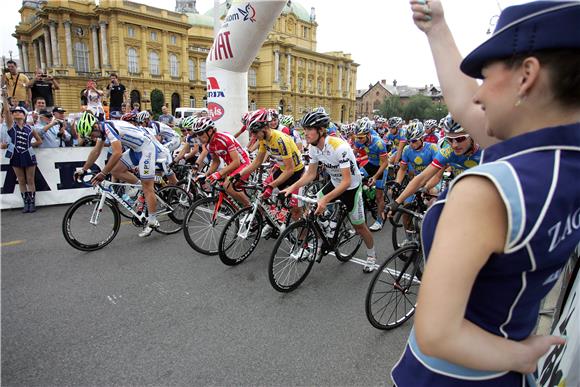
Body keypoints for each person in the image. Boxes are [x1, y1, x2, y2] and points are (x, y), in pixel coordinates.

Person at [391, 1, 580, 386]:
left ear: (526, 75)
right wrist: (436, 28)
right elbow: (464, 105)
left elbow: (437, 333)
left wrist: (523, 356)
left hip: (448, 376)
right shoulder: (555, 161)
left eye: (486, 75)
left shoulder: (489, 190)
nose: (477, 96)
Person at [281, 110, 378, 273]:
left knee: (359, 226)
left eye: (308, 129)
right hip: (334, 183)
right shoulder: (313, 148)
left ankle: (371, 255)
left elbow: (346, 181)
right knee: (310, 213)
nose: (305, 133)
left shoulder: (340, 147)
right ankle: (317, 241)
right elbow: (311, 174)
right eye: (304, 129)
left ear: (320, 130)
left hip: (351, 188)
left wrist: (325, 199)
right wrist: (292, 187)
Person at [74, 111, 170, 237]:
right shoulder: (101, 130)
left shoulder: (108, 128)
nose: (91, 137)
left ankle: (152, 220)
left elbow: (117, 153)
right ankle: (141, 188)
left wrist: (103, 173)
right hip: (136, 150)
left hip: (147, 150)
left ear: (95, 126)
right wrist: (83, 169)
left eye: (91, 134)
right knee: (116, 171)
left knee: (148, 187)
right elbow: (96, 151)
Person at [1, 97, 43, 213]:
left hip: (28, 154)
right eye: (15, 112)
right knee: (21, 180)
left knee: (30, 179)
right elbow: (6, 111)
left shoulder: (30, 128)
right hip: (15, 154)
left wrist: (30, 146)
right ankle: (25, 203)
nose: (16, 113)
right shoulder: (11, 127)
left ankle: (32, 203)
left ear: (24, 115)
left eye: (19, 112)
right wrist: (4, 97)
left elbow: (39, 141)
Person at [353, 118, 389, 231]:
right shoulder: (359, 140)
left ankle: (379, 220)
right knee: (355, 180)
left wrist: (375, 176)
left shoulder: (379, 143)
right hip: (371, 164)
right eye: (358, 137)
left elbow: (385, 163)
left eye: (362, 137)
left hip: (381, 167)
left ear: (368, 134)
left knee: (379, 196)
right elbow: (352, 154)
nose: (359, 140)